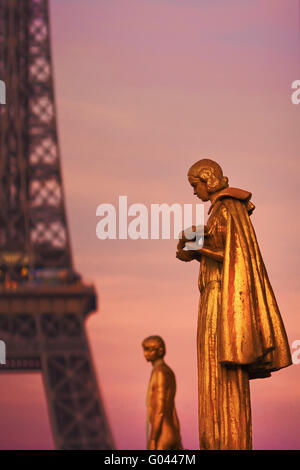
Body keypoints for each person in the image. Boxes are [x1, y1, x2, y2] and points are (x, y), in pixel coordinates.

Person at [176, 159, 292, 450]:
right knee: (215, 372)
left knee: (221, 371)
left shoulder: (228, 207)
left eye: (195, 185)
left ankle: (226, 439)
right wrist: (195, 244)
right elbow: (226, 248)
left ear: (208, 179)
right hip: (214, 295)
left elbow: (229, 252)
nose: (194, 193)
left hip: (220, 298)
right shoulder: (222, 209)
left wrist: (194, 248)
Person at [142, 335, 183, 450]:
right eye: (144, 349)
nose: (145, 353)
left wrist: (153, 439)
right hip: (171, 432)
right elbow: (172, 408)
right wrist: (177, 436)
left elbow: (160, 409)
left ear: (160, 351)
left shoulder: (159, 373)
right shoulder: (167, 371)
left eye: (149, 349)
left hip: (162, 435)